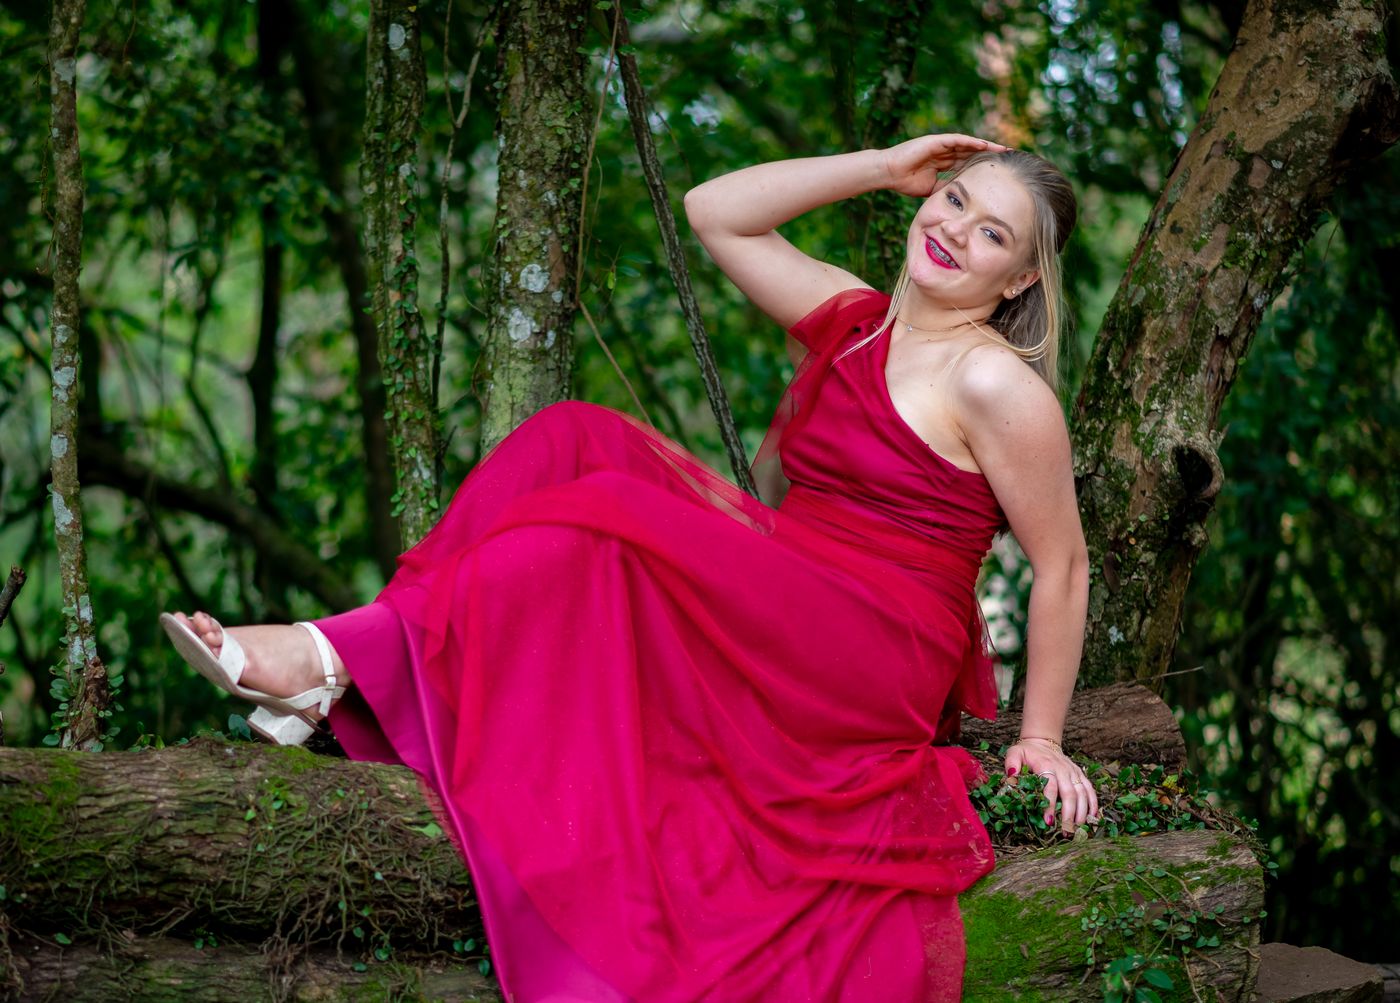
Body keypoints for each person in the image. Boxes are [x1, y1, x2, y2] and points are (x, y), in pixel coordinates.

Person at [161, 133, 1095, 1001]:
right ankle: (353, 661)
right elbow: (715, 210)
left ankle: (325, 662)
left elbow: (1061, 565)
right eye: (954, 200)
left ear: (1020, 278)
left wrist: (1043, 738)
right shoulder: (855, 321)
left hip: (872, 647)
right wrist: (886, 165)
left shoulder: (992, 381)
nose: (954, 230)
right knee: (569, 436)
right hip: (791, 588)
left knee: (607, 526)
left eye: (991, 233)